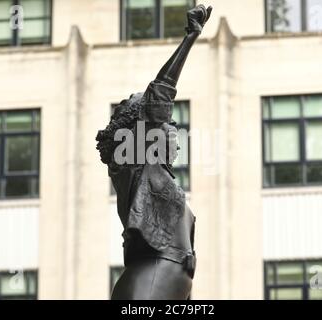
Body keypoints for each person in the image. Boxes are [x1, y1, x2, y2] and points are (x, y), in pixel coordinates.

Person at [96, 4, 212, 300]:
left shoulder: (160, 176)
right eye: (164, 123)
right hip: (150, 281)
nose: (172, 128)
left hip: (168, 283)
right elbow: (162, 90)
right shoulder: (134, 163)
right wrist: (190, 38)